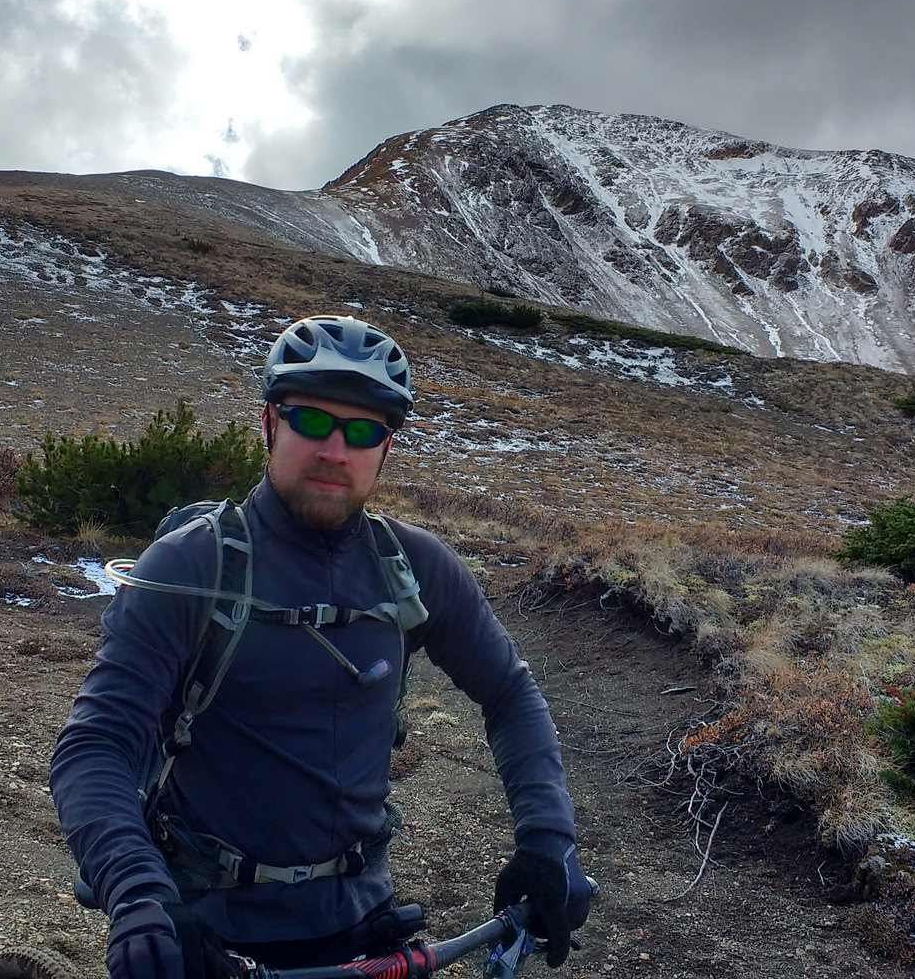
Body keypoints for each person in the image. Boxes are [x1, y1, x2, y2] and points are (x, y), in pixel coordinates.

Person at [52, 315, 589, 979]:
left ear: (384, 449)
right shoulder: (192, 566)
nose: (336, 448)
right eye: (312, 420)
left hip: (365, 929)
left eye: (363, 430)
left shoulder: (414, 565)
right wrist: (137, 896)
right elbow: (96, 744)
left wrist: (547, 840)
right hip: (203, 932)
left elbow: (510, 691)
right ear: (270, 423)